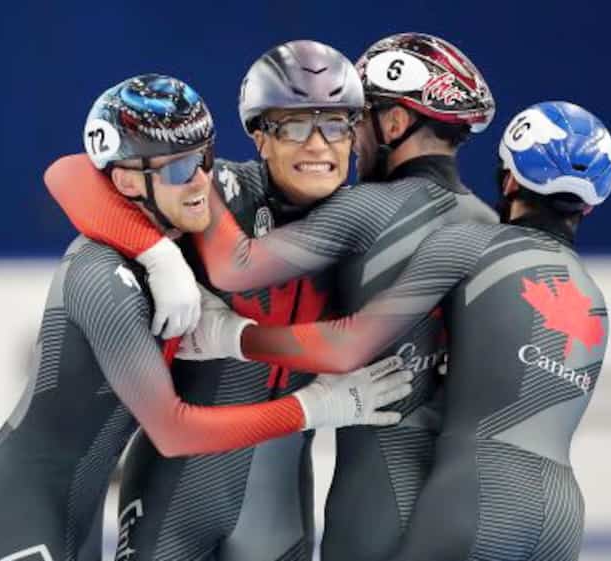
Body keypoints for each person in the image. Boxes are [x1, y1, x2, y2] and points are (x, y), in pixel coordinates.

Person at [47, 33, 498, 561]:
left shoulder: (369, 224)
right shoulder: (216, 191)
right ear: (259, 137)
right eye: (294, 125)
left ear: (357, 135)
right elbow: (72, 172)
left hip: (279, 496)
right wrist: (157, 252)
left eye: (335, 125)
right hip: (178, 486)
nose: (317, 146)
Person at [0, 73, 411, 561]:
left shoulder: (171, 232)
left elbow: (74, 174)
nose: (200, 183)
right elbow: (172, 431)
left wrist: (216, 318)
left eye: (203, 159)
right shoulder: (102, 275)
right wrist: (315, 408)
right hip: (15, 502)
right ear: (128, 181)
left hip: (74, 505)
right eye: (177, 171)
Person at [188, 101, 611, 561]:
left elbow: (346, 345)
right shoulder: (593, 296)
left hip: (474, 493)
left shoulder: (471, 242)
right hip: (562, 514)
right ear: (589, 206)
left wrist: (229, 336)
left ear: (510, 179)